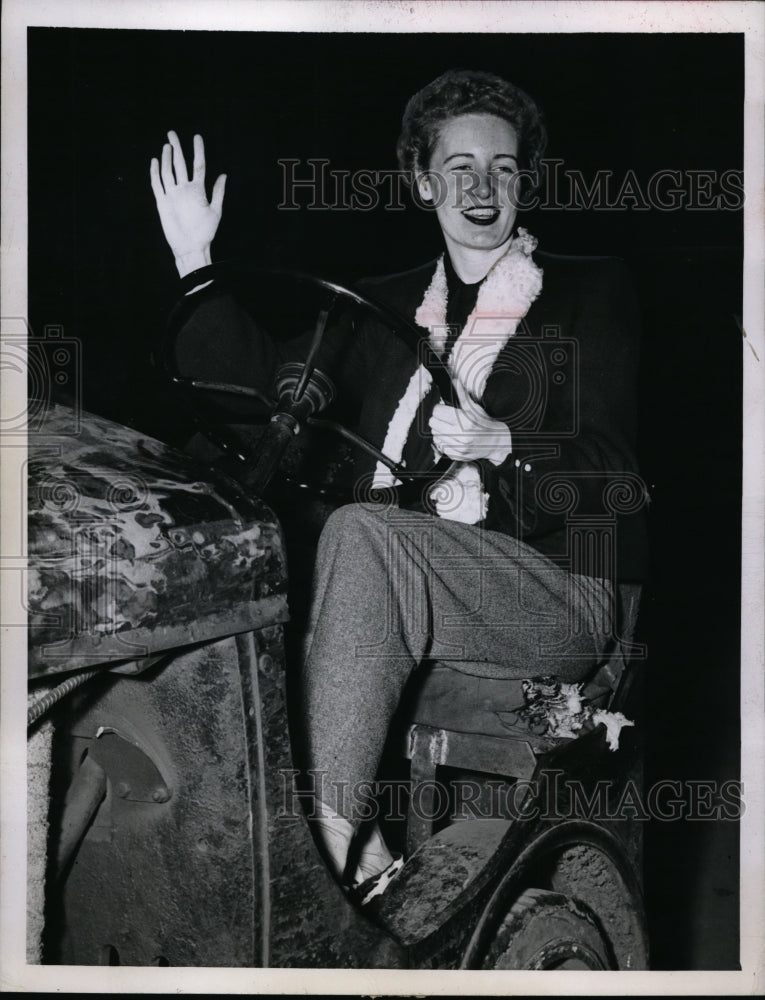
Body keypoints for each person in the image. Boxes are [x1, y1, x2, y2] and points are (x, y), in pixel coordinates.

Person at [150, 69, 647, 908]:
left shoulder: (589, 291)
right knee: (240, 551)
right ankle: (339, 844)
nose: (480, 188)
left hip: (555, 588)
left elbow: (614, 478)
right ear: (424, 183)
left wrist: (504, 443)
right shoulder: (384, 309)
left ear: (523, 182)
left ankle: (325, 849)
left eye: (501, 168)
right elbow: (267, 406)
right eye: (457, 168)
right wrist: (194, 261)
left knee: (360, 533)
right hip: (407, 572)